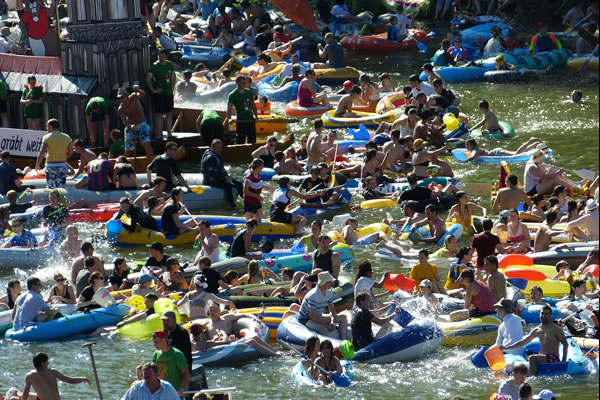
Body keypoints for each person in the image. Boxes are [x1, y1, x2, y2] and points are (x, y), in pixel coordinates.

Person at [501, 305, 569, 376]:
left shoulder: (555, 329)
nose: (543, 315)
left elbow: (565, 344)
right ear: (539, 315)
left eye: (546, 314)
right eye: (542, 313)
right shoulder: (537, 330)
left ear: (550, 316)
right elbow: (522, 342)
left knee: (532, 358)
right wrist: (506, 348)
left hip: (553, 358)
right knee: (530, 357)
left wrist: (563, 361)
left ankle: (532, 379)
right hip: (543, 357)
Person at [297, 271, 347, 339]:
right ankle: (331, 346)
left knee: (343, 317)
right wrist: (326, 326)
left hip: (318, 315)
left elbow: (332, 310)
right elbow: (313, 316)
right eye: (330, 281)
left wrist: (333, 321)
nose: (332, 283)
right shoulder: (313, 295)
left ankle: (343, 339)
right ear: (324, 283)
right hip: (306, 318)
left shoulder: (329, 293)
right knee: (323, 329)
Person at [21, 353, 90, 400]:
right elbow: (70, 380)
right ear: (42, 364)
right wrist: (83, 379)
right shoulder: (53, 372)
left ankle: (16, 394)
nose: (48, 363)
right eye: (47, 361)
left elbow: (25, 396)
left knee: (33, 396)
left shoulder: (29, 376)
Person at [200, 139, 243, 208]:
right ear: (212, 147)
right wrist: (223, 179)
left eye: (220, 147)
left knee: (239, 183)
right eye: (217, 148)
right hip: (210, 181)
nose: (219, 149)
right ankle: (233, 206)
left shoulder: (217, 155)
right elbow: (211, 173)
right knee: (227, 185)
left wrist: (227, 175)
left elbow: (221, 169)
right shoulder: (209, 158)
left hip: (219, 178)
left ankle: (246, 201)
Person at [34, 119, 73, 189]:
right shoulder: (67, 137)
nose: (47, 129)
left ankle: (52, 200)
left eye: (47, 127)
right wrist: (63, 156)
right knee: (62, 188)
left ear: (50, 126)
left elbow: (42, 152)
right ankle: (61, 200)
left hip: (50, 166)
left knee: (50, 188)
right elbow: (70, 152)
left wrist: (37, 164)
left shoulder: (46, 137)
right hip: (62, 165)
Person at [151, 330, 189, 398]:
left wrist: (182, 388)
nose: (154, 345)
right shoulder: (156, 354)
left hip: (176, 393)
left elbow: (185, 373)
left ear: (164, 340)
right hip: (162, 393)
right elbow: (154, 373)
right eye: (154, 342)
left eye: (156, 342)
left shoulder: (177, 354)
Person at [117, 85, 153, 158]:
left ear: (127, 95)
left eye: (122, 97)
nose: (121, 99)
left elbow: (143, 94)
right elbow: (124, 120)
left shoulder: (134, 96)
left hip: (142, 124)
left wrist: (138, 89)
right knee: (128, 148)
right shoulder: (121, 108)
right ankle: (126, 163)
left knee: (146, 143)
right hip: (131, 127)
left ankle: (150, 160)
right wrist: (130, 126)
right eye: (119, 98)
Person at [226, 76, 258, 144]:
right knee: (240, 140)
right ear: (237, 83)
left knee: (252, 140)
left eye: (245, 83)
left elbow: (253, 105)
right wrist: (229, 119)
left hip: (250, 120)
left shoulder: (249, 92)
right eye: (242, 83)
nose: (244, 84)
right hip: (241, 120)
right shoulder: (232, 94)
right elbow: (229, 109)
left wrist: (256, 117)